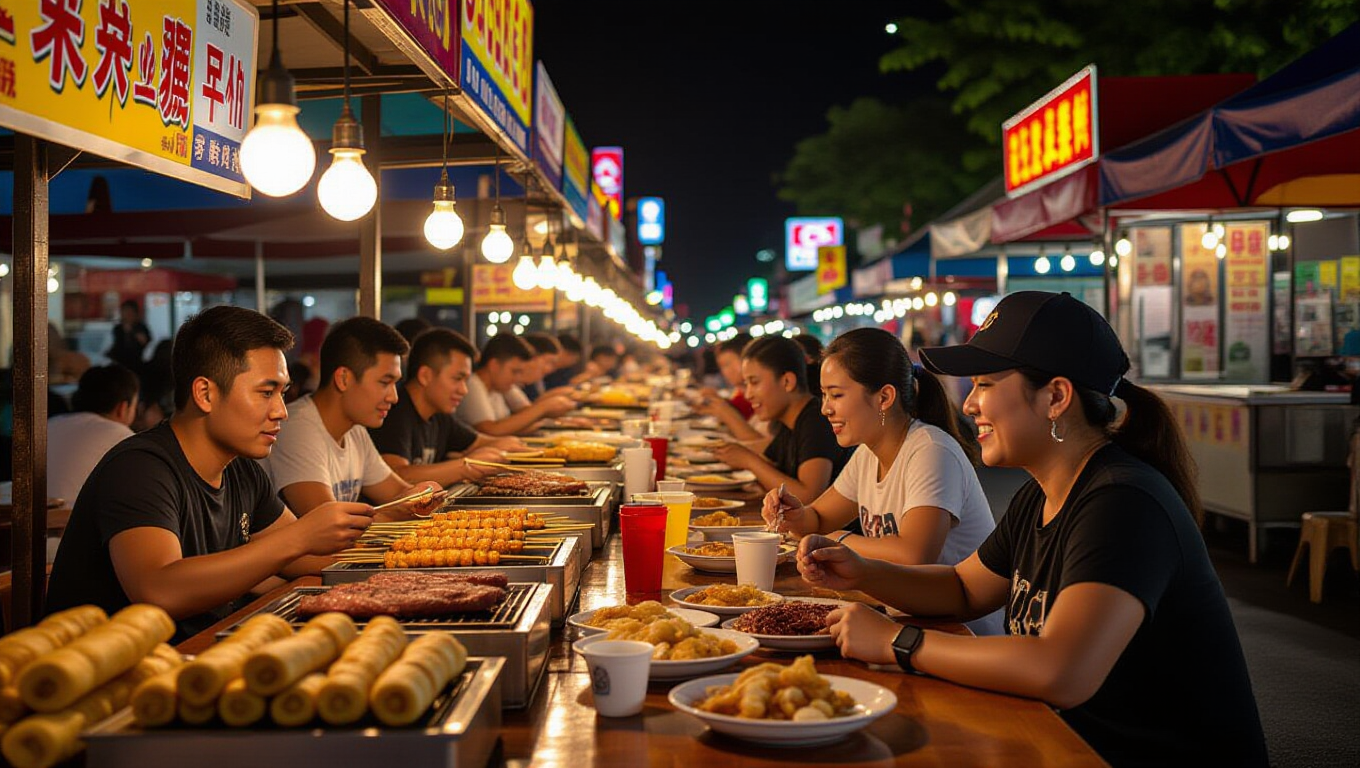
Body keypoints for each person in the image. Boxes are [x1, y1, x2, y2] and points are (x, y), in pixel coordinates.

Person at [797, 292, 1267, 767]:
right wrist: (859, 572)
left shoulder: (1123, 503)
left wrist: (899, 642)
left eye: (985, 385)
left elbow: (1061, 669)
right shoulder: (1041, 494)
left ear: (1056, 397)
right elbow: (963, 588)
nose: (972, 405)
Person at [46, 306, 376, 643]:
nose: (281, 411)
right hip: (107, 675)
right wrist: (300, 537)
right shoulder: (139, 468)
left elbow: (302, 556)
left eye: (282, 392)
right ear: (205, 393)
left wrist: (397, 545)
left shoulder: (242, 471)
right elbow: (159, 589)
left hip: (203, 650)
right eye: (266, 392)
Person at [762, 327, 998, 634]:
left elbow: (915, 555)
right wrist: (794, 514)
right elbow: (818, 519)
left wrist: (838, 540)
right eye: (824, 395)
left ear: (884, 397)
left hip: (960, 636)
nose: (825, 408)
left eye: (836, 395)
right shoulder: (867, 454)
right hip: (905, 619)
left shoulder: (930, 450)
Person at [262, 317, 440, 520]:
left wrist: (424, 495)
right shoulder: (297, 429)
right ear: (344, 379)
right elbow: (329, 524)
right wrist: (401, 509)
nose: (394, 397)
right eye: (384, 382)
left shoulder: (355, 430)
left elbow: (401, 495)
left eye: (395, 383)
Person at [370, 328, 524, 487]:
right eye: (458, 378)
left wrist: (518, 448)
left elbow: (482, 443)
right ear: (425, 376)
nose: (464, 390)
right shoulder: (394, 411)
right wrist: (465, 466)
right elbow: (397, 475)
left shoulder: (439, 415)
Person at [710, 336, 850, 503]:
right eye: (746, 384)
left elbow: (808, 497)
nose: (748, 394)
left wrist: (749, 461)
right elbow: (765, 454)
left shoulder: (816, 420)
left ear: (787, 381)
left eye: (754, 382)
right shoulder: (788, 423)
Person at [46, 364, 139, 504]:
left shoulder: (50, 424)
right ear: (123, 408)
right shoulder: (121, 437)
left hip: (25, 520)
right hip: (73, 522)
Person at [456, 335, 574, 436]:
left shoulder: (499, 387)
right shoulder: (473, 384)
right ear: (494, 365)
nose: (518, 378)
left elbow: (525, 415)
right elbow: (490, 430)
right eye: (515, 371)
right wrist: (544, 407)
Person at [694, 334, 764, 439]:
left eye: (726, 364)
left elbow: (762, 444)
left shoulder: (761, 398)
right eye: (721, 366)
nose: (724, 372)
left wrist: (723, 408)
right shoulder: (740, 392)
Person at [107, 299, 152, 375]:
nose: (127, 315)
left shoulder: (141, 327)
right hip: (119, 364)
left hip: (137, 364)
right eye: (124, 311)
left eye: (130, 312)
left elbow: (146, 343)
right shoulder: (118, 329)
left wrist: (132, 332)